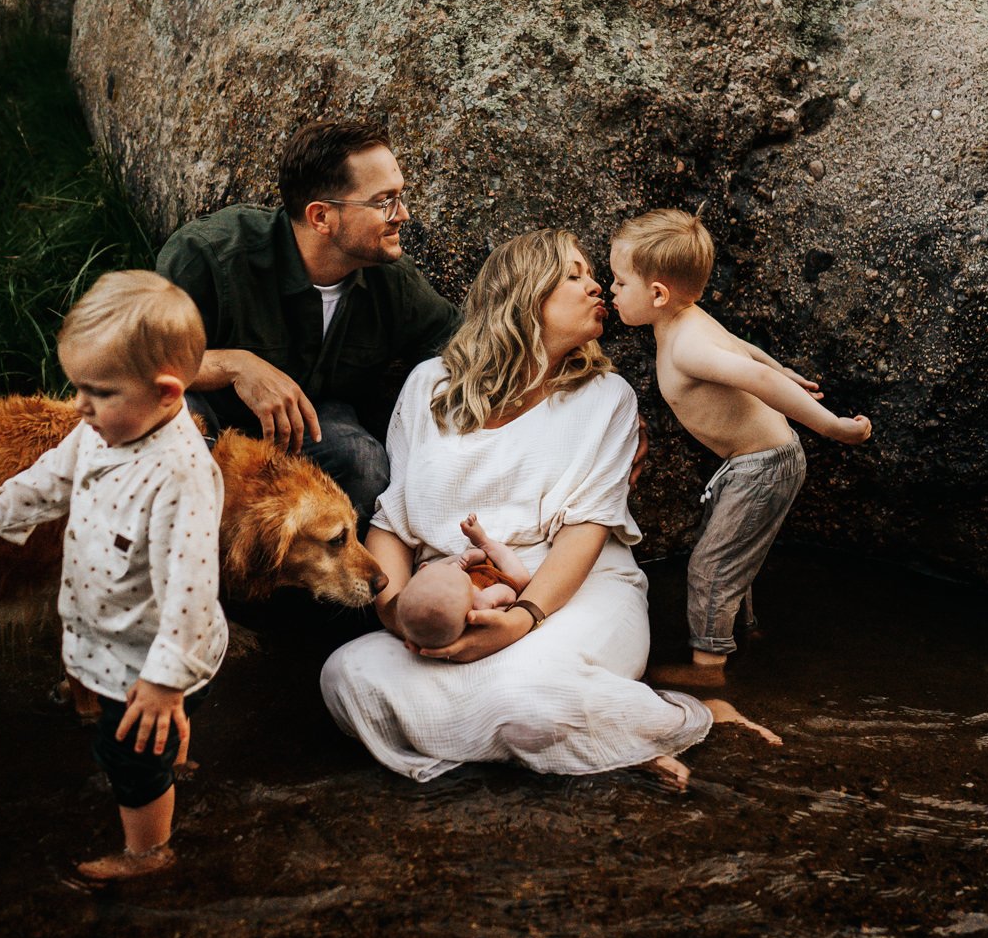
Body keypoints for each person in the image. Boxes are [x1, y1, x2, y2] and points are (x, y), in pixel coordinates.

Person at [321, 229, 777, 792]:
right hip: (453, 598)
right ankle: (597, 734)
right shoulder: (429, 387)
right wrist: (402, 614)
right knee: (348, 676)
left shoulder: (605, 398)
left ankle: (676, 717)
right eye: (575, 274)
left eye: (593, 274)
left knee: (529, 697)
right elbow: (391, 521)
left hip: (572, 592)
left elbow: (585, 533)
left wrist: (520, 619)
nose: (597, 288)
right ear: (524, 292)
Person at [0, 270, 225, 884]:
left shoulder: (179, 477)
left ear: (164, 393)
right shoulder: (105, 427)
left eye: (96, 391)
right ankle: (174, 753)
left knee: (126, 757)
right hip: (116, 636)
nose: (78, 405)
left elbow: (190, 588)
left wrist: (163, 683)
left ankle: (148, 852)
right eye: (77, 387)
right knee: (154, 741)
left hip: (152, 656)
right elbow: (53, 475)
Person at [608, 209, 872, 689]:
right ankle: (746, 636)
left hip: (762, 468)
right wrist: (785, 370)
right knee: (731, 554)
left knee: (710, 567)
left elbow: (755, 376)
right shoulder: (687, 320)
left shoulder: (686, 345)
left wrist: (833, 428)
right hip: (753, 465)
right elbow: (744, 350)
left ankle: (708, 671)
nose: (611, 290)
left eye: (620, 282)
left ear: (658, 294)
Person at [156, 119, 460, 524]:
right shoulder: (210, 256)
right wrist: (236, 365)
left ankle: (316, 582)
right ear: (321, 217)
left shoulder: (391, 279)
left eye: (400, 197)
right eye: (384, 201)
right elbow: (137, 363)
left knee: (364, 464)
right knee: (175, 426)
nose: (402, 214)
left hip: (307, 427)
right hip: (210, 418)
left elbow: (462, 343)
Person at [392, 514, 531, 651]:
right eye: (456, 574)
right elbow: (511, 595)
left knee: (478, 554)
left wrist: (463, 560)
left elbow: (479, 556)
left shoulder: (433, 572)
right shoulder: (476, 609)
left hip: (479, 563)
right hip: (501, 580)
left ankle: (483, 543)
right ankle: (485, 542)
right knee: (522, 580)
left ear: (423, 569)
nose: (454, 568)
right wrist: (489, 599)